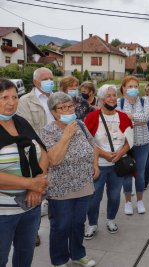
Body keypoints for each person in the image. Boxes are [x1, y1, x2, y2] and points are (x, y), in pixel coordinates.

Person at [39, 92, 99, 267]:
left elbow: (93, 145)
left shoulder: (80, 123)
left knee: (78, 223)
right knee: (61, 225)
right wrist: (66, 135)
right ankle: (59, 259)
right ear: (54, 112)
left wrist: (95, 164)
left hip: (84, 183)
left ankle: (78, 254)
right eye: (62, 108)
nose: (67, 110)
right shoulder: (48, 131)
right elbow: (54, 160)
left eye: (69, 106)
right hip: (61, 188)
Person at [0, 79, 49, 267]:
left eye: (14, 97)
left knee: (24, 255)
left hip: (31, 204)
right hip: (3, 212)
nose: (11, 102)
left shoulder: (20, 121)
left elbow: (43, 152)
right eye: (4, 97)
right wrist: (30, 184)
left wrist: (37, 185)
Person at [84, 84, 133, 239]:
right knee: (94, 197)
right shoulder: (92, 117)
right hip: (98, 165)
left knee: (114, 196)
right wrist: (104, 154)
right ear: (101, 99)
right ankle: (92, 224)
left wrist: (120, 153)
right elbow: (86, 142)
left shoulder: (123, 117)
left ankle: (111, 220)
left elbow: (130, 141)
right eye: (109, 96)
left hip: (118, 165)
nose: (112, 98)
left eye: (114, 95)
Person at [16, 66, 55, 245]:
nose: (49, 81)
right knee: (37, 192)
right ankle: (34, 231)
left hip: (59, 152)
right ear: (35, 82)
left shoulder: (57, 97)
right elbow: (26, 131)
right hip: (39, 155)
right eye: (45, 79)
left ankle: (57, 226)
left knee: (56, 193)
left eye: (51, 78)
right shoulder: (25, 101)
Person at [117, 75, 149, 215]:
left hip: (142, 142)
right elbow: (119, 118)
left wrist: (130, 117)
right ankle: (128, 202)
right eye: (130, 86)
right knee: (126, 173)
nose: (133, 89)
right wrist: (136, 119)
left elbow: (147, 117)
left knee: (140, 173)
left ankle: (140, 201)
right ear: (124, 88)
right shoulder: (118, 102)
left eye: (136, 86)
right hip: (124, 143)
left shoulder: (144, 101)